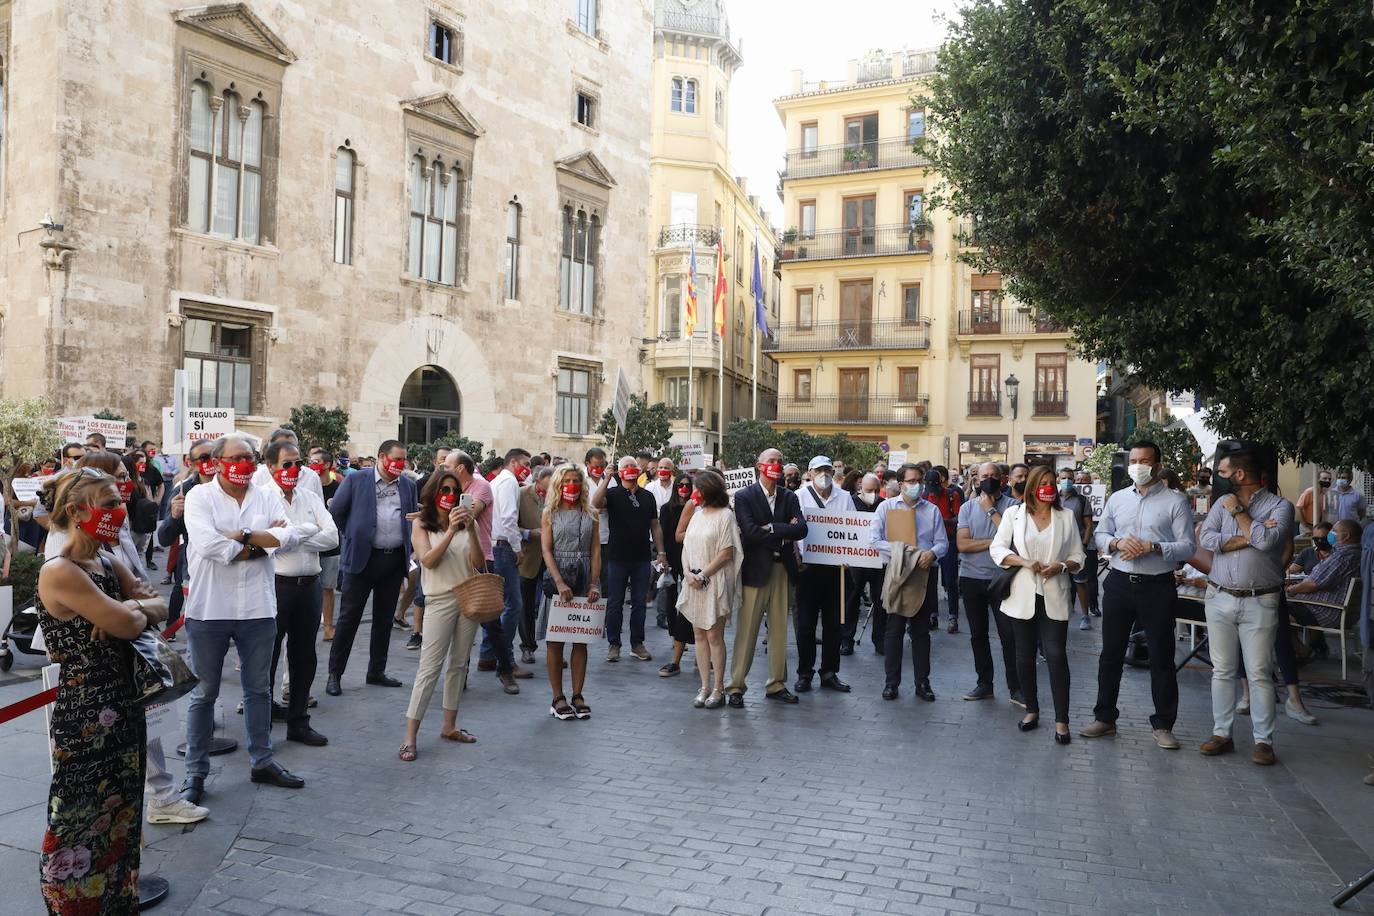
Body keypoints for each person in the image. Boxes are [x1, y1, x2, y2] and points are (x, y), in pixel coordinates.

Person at [36, 468, 172, 913]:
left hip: (124, 704)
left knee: (122, 811)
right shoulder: (61, 570)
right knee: (80, 814)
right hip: (87, 715)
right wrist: (132, 610)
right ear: (77, 511)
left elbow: (158, 606)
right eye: (109, 503)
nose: (119, 511)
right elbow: (131, 622)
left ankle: (117, 899)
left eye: (119, 501)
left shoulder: (106, 560)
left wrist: (129, 607)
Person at [181, 435, 310, 803]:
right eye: (237, 458)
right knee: (204, 694)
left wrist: (246, 536)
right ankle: (195, 772)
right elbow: (208, 545)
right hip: (210, 610)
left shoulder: (266, 494)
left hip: (257, 608)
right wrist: (258, 547)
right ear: (218, 461)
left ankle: (262, 760)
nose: (245, 465)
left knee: (258, 690)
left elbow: (289, 536)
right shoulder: (199, 497)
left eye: (250, 458)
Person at [1081, 441, 1196, 749]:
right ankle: (1104, 718)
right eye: (1133, 460)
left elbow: (1188, 546)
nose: (1137, 466)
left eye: (1144, 461)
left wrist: (1154, 547)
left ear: (1157, 465)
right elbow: (1102, 535)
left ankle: (1163, 725)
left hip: (1157, 585)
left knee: (1161, 656)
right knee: (1110, 655)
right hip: (1119, 583)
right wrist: (1117, 544)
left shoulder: (1176, 501)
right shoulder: (1118, 499)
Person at [1197, 446, 1294, 766]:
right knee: (1222, 671)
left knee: (1259, 673)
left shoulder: (1281, 506)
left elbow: (1269, 542)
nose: (1218, 479)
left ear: (1239, 475)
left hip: (1260, 600)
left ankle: (1263, 741)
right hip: (1219, 595)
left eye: (1222, 473)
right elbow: (1206, 539)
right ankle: (1221, 733)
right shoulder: (1218, 505)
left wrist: (1239, 514)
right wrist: (1250, 533)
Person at [989, 467, 1085, 744]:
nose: (1048, 487)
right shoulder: (1013, 514)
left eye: (1052, 483)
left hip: (1054, 593)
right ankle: (1031, 709)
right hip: (1021, 595)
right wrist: (1023, 561)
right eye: (1042, 483)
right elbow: (997, 549)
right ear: (1031, 487)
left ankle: (1062, 720)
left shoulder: (1066, 517)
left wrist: (1063, 565)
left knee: (1056, 655)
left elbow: (1079, 555)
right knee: (1024, 654)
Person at [398, 469, 487, 760]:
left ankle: (449, 726)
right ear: (434, 494)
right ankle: (410, 737)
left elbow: (478, 563)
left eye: (454, 490)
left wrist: (470, 527)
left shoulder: (465, 524)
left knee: (459, 666)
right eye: (444, 490)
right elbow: (429, 562)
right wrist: (450, 529)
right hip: (438, 600)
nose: (449, 496)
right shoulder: (422, 525)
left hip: (467, 599)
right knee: (429, 669)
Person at [325, 440, 417, 696]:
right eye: (395, 459)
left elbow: (410, 517)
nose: (399, 464)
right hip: (362, 559)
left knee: (384, 618)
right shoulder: (357, 480)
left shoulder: (407, 485)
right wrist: (354, 535)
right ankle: (335, 674)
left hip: (393, 560)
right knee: (349, 619)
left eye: (403, 460)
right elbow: (338, 512)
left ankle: (376, 671)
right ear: (381, 457)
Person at [264, 440, 339, 747]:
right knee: (268, 656)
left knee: (304, 656)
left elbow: (332, 536)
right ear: (270, 467)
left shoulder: (309, 495)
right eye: (287, 464)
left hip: (310, 586)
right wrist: (307, 531)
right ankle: (264, 717)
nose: (293, 470)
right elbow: (271, 541)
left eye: (297, 464)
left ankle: (298, 721)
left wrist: (295, 534)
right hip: (277, 586)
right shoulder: (263, 499)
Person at [725, 449, 807, 707]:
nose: (776, 465)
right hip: (755, 570)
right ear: (759, 465)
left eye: (779, 461)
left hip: (782, 569)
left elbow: (802, 528)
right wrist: (785, 532)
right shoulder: (744, 495)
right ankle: (736, 686)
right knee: (747, 630)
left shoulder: (789, 496)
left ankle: (776, 684)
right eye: (771, 461)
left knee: (780, 629)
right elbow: (748, 531)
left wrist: (772, 528)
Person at [448, 450, 525, 692]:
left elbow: (469, 515)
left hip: (480, 559)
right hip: (455, 559)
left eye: (447, 465)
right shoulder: (451, 488)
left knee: (490, 618)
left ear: (460, 468)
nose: (442, 469)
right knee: (458, 618)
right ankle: (462, 673)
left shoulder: (480, 486)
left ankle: (505, 669)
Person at [871, 463, 948, 701]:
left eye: (918, 481)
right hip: (896, 573)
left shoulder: (932, 510)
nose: (915, 485)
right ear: (901, 483)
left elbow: (943, 543)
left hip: (924, 574)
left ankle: (922, 683)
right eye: (911, 481)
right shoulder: (886, 507)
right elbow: (874, 540)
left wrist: (931, 553)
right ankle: (891, 683)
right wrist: (902, 552)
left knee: (921, 632)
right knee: (893, 630)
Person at [955, 462, 1022, 705]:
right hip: (972, 578)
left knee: (1009, 636)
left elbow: (1014, 541)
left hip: (1002, 579)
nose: (989, 479)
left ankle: (1016, 687)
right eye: (984, 476)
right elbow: (962, 545)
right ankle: (984, 684)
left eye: (994, 476)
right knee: (977, 635)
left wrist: (991, 511)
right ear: (976, 479)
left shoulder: (1014, 506)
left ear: (1003, 480)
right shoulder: (966, 508)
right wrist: (996, 542)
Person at [591, 456, 667, 663]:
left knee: (639, 603)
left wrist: (661, 553)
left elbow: (655, 525)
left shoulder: (647, 496)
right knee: (615, 603)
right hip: (617, 557)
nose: (630, 469)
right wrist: (606, 478)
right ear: (619, 471)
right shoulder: (613, 494)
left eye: (633, 466)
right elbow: (595, 504)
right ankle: (614, 644)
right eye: (625, 466)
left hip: (641, 557)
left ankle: (637, 643)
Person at [540, 464, 601, 720]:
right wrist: (559, 581)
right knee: (555, 640)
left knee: (580, 638)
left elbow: (597, 549)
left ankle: (578, 694)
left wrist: (594, 583)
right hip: (559, 576)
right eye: (567, 481)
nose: (572, 485)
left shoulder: (591, 512)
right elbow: (546, 550)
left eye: (576, 480)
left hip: (584, 573)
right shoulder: (549, 513)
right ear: (558, 484)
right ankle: (557, 697)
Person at [678, 470, 742, 708]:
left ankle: (718, 687)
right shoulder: (696, 515)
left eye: (698, 489)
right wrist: (687, 572)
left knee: (714, 635)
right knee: (698, 635)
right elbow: (686, 546)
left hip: (714, 582)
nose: (694, 493)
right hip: (693, 581)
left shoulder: (726, 516)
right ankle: (704, 686)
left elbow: (726, 552)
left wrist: (703, 574)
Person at [794, 456, 855, 693]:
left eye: (827, 470)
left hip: (836, 569)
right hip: (808, 569)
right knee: (806, 626)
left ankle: (829, 672)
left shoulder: (845, 497)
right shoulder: (798, 496)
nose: (824, 474)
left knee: (834, 625)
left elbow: (852, 528)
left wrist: (851, 557)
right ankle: (804, 673)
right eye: (819, 470)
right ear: (809, 473)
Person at [485, 448, 532, 672]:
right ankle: (505, 658)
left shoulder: (500, 482)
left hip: (496, 545)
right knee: (512, 604)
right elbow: (508, 518)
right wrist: (517, 549)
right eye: (526, 464)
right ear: (513, 463)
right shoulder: (508, 482)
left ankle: (488, 655)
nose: (528, 470)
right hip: (503, 547)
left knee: (496, 605)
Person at [1287, 519, 1362, 629]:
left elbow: (1313, 584)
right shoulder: (1357, 553)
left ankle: (1299, 646)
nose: (1330, 535)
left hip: (1324, 611)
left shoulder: (1342, 557)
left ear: (1346, 536)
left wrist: (1291, 590)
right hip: (1339, 611)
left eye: (1334, 531)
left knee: (1274, 609)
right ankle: (1313, 644)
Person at [658, 472, 696, 677]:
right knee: (672, 597)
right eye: (680, 485)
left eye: (687, 485)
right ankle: (675, 637)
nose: (684, 488)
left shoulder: (696, 508)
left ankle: (688, 641)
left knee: (687, 599)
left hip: (691, 558)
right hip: (672, 557)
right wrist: (662, 556)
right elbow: (662, 533)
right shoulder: (666, 509)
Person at [844, 472, 887, 655]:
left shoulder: (884, 505)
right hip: (857, 560)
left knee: (881, 602)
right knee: (851, 601)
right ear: (861, 487)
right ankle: (846, 640)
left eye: (877, 490)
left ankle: (880, 640)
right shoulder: (850, 502)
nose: (874, 494)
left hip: (879, 560)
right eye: (870, 490)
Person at [516, 466, 554, 666]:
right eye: (545, 488)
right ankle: (527, 646)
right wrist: (528, 533)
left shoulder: (559, 495)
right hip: (528, 556)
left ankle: (554, 649)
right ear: (537, 481)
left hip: (552, 559)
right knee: (526, 604)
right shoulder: (521, 494)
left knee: (553, 605)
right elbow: (509, 524)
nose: (548, 492)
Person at [306, 446, 343, 641]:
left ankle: (328, 627)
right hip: (308, 543)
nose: (310, 466)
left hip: (330, 545)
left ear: (326, 465)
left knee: (328, 587)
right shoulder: (305, 486)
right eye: (309, 461)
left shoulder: (339, 488)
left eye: (315, 462)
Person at [925, 466, 962, 633]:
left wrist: (940, 521)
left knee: (950, 580)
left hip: (948, 540)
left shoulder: (951, 495)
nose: (933, 491)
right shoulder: (924, 495)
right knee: (931, 580)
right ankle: (932, 614)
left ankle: (953, 616)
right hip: (929, 541)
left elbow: (958, 519)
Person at [1059, 473, 1095, 631]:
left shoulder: (1081, 500)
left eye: (1069, 478)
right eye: (1062, 478)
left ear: (1073, 481)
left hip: (1076, 546)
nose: (1066, 481)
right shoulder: (1053, 498)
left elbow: (1088, 524)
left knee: (1080, 582)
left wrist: (1084, 544)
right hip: (1058, 547)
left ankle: (1085, 615)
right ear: (1058, 480)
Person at [1073, 471, 1102, 621]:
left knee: (1091, 577)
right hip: (1073, 544)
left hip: (1089, 545)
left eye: (1084, 481)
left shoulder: (1091, 499)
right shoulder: (1069, 498)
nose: (1080, 483)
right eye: (1077, 480)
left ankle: (1093, 605)